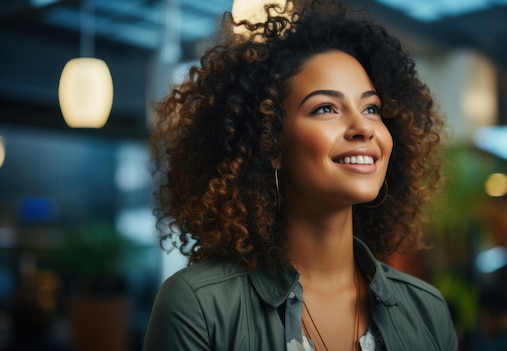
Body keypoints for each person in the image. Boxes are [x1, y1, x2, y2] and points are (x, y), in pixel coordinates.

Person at [143, 0, 457, 350]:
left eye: (372, 108)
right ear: (270, 142)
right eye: (326, 108)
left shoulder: (428, 310)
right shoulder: (198, 305)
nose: (363, 128)